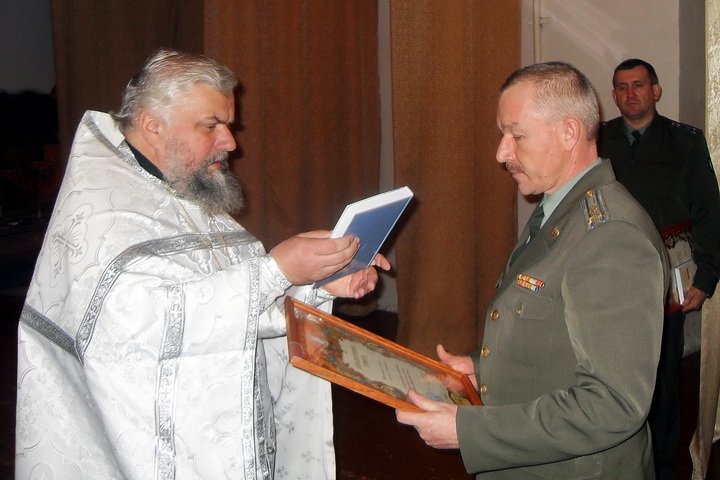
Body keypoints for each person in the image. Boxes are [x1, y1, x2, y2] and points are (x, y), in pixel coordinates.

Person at [15, 48, 390, 479]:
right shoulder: (103, 210)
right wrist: (276, 271)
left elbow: (230, 304)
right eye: (211, 125)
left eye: (227, 125)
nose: (230, 142)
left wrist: (317, 282)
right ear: (152, 126)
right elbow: (146, 324)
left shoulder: (176, 184)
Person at [396, 62, 669, 479]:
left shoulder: (610, 235)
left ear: (569, 133)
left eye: (516, 135)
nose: (501, 153)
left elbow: (614, 404)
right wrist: (481, 369)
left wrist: (470, 431)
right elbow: (556, 335)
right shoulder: (559, 208)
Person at [598, 58, 720, 480]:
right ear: (613, 95)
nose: (630, 94)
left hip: (665, 276)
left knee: (663, 382)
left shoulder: (685, 142)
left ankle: (665, 471)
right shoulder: (598, 141)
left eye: (638, 85)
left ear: (656, 91)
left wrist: (706, 276)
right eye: (622, 87)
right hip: (608, 275)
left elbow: (709, 212)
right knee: (610, 376)